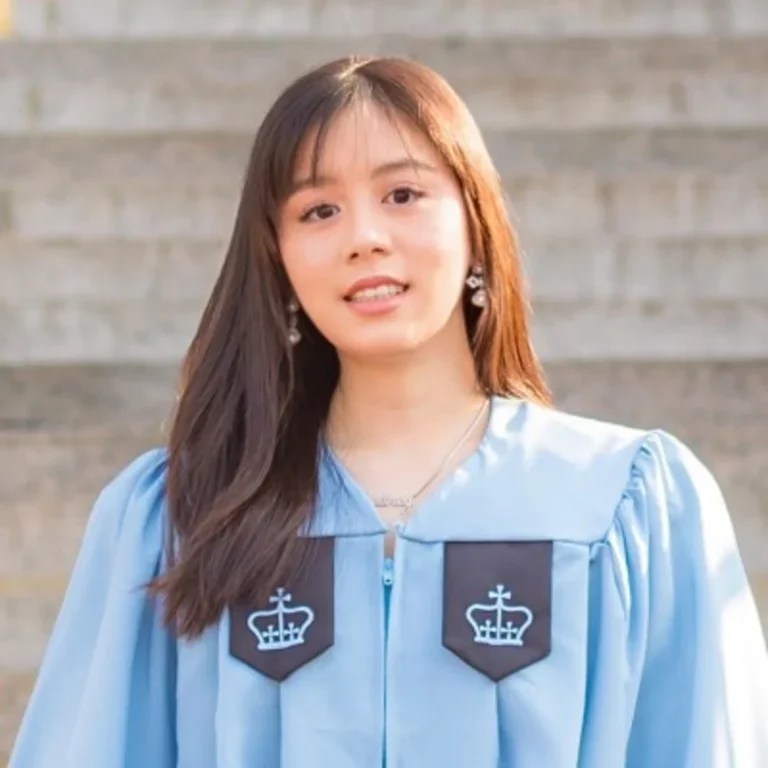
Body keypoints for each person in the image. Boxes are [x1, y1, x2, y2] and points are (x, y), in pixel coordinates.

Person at [9, 56, 768, 768]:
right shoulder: (178, 516)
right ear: (278, 259)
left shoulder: (622, 503)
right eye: (319, 210)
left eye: (403, 195)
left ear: (475, 225)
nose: (364, 238)